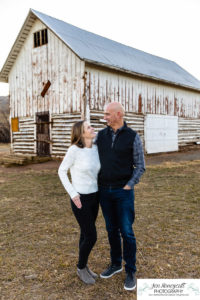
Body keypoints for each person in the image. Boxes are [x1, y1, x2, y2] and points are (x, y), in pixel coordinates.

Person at [96, 102, 145, 291]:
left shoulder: (133, 137)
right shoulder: (100, 135)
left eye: (107, 114)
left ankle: (130, 270)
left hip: (122, 192)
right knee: (111, 229)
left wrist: (128, 185)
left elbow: (140, 165)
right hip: (103, 191)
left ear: (118, 114)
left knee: (127, 231)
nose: (105, 117)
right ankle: (115, 264)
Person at [58, 120, 100, 285]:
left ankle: (85, 265)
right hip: (80, 199)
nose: (92, 128)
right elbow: (61, 171)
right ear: (81, 133)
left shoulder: (96, 149)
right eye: (89, 127)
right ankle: (80, 267)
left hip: (95, 197)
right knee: (91, 235)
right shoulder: (74, 150)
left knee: (85, 233)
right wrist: (73, 193)